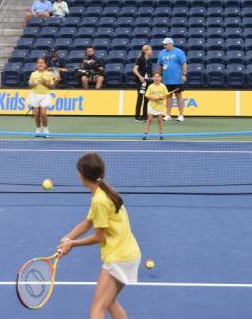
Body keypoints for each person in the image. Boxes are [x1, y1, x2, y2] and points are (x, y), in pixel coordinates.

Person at [57, 153, 140, 319]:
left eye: (78, 172)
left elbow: (99, 237)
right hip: (129, 254)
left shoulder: (99, 200)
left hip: (118, 258)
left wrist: (73, 244)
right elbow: (88, 222)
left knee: (97, 309)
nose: (77, 174)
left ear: (83, 176)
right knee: (109, 302)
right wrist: (68, 237)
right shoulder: (103, 191)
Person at [157, 37, 187, 122]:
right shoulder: (162, 53)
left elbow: (184, 64)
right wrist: (158, 75)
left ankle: (181, 115)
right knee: (168, 96)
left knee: (178, 96)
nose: (164, 46)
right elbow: (160, 65)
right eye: (164, 44)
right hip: (166, 79)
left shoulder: (178, 52)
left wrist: (184, 74)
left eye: (166, 44)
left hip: (177, 78)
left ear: (171, 44)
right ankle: (168, 114)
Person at [28, 57, 56, 136]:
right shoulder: (33, 74)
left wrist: (44, 83)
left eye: (42, 63)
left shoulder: (48, 74)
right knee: (36, 114)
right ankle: (38, 129)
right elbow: (30, 85)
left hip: (45, 95)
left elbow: (52, 87)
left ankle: (46, 130)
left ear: (45, 65)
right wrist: (34, 84)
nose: (40, 64)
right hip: (34, 95)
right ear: (37, 64)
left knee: (43, 114)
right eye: (39, 63)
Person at [143, 72, 168, 140]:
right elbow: (147, 96)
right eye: (155, 77)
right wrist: (154, 98)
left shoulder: (163, 86)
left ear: (160, 78)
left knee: (160, 120)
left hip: (160, 106)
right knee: (149, 120)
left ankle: (160, 134)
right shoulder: (150, 86)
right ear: (153, 78)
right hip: (152, 105)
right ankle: (146, 134)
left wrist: (160, 98)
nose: (156, 78)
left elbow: (166, 96)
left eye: (158, 77)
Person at [133, 45, 153, 122]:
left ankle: (145, 116)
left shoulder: (150, 61)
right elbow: (134, 70)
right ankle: (137, 116)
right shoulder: (140, 59)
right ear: (145, 51)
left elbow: (150, 73)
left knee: (147, 99)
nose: (152, 51)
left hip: (148, 81)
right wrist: (140, 77)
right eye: (150, 49)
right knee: (140, 98)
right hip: (141, 82)